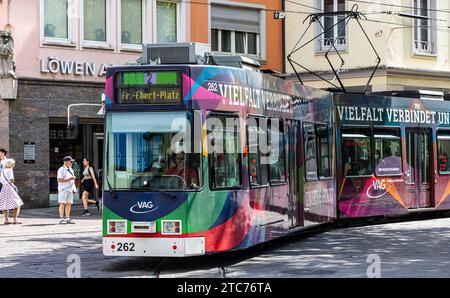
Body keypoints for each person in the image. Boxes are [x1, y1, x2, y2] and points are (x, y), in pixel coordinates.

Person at [0, 159, 23, 224]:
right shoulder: (10, 170)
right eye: (13, 164)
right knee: (17, 203)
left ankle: (6, 220)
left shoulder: (3, 170)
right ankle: (15, 219)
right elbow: (12, 180)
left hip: (4, 188)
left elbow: (1, 180)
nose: (14, 165)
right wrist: (11, 182)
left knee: (5, 203)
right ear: (11, 164)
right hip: (9, 188)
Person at [57, 156, 77, 224]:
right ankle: (61, 218)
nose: (71, 163)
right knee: (62, 204)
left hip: (70, 189)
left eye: (71, 162)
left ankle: (67, 218)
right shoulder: (61, 169)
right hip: (63, 189)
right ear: (66, 162)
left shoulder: (71, 169)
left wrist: (74, 189)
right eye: (70, 162)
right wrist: (69, 179)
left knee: (69, 204)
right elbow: (59, 180)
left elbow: (73, 180)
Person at [0, 148, 8, 218]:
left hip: (4, 182)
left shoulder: (6, 161)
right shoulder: (1, 161)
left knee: (3, 197)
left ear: (2, 153)